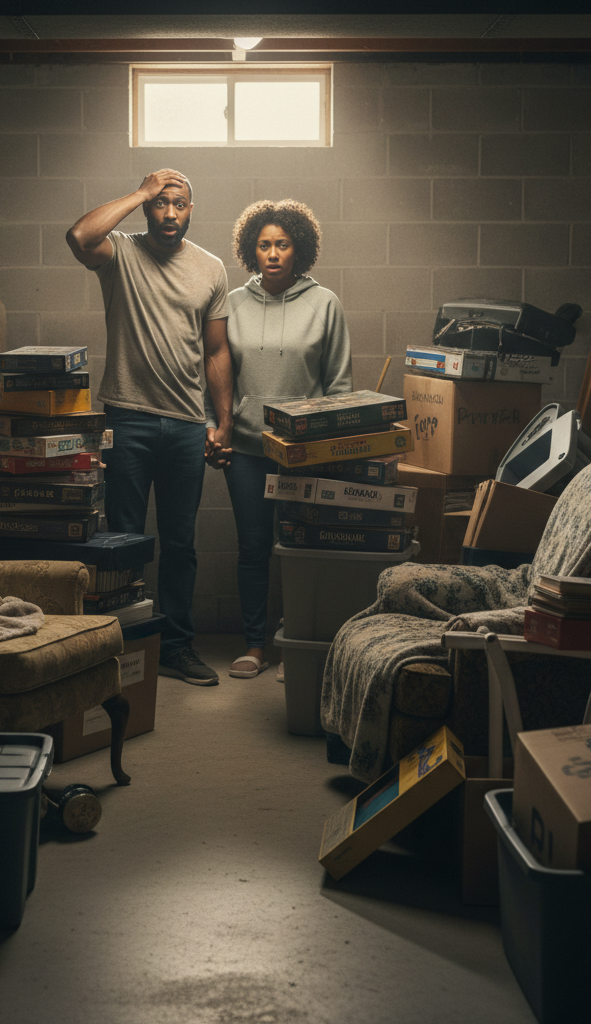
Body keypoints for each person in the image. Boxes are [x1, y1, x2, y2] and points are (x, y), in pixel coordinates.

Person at [66, 170, 234, 686]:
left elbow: (216, 350)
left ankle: (176, 647)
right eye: (159, 204)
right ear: (145, 210)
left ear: (191, 210)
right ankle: (124, 648)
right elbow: (79, 236)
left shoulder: (210, 268)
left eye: (179, 204)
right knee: (123, 541)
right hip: (128, 419)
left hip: (186, 424)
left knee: (180, 545)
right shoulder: (119, 252)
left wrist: (222, 420)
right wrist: (140, 189)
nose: (169, 214)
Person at [206, 199, 352, 680]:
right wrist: (220, 425)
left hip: (304, 453)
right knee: (253, 548)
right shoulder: (234, 304)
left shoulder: (325, 302)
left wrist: (329, 449)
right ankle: (255, 645)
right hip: (248, 449)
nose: (273, 253)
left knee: (302, 547)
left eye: (282, 244)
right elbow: (218, 369)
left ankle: (297, 644)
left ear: (299, 249)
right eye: (264, 244)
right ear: (252, 250)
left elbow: (340, 388)